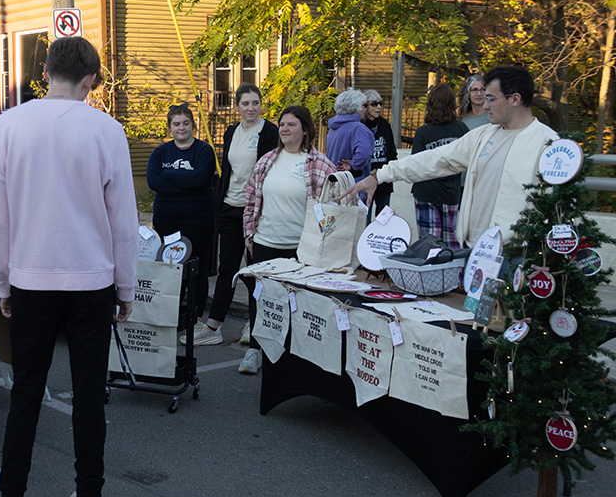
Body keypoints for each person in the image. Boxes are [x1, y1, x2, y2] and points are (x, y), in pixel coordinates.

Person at [0, 36, 138, 497]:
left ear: (45, 72)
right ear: (92, 79)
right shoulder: (106, 130)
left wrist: (3, 282)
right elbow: (123, 219)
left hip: (31, 278)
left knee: (26, 394)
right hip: (90, 280)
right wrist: (126, 286)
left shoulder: (7, 126)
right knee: (89, 394)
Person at [345, 67, 558, 247]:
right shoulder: (483, 136)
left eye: (491, 98)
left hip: (518, 254)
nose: (485, 106)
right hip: (477, 249)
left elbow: (558, 207)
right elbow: (435, 159)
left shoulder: (547, 143)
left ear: (515, 99)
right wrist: (379, 176)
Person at [241, 106, 336, 375]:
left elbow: (335, 206)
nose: (284, 129)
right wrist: (250, 234)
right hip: (266, 242)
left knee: (297, 303)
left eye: (291, 125)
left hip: (300, 248)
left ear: (305, 130)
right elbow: (250, 200)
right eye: (282, 124)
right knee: (259, 299)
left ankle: (292, 356)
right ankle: (255, 350)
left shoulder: (319, 164)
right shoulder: (267, 161)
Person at [181, 83, 278, 347]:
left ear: (261, 104)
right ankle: (214, 326)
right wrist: (219, 204)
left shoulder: (269, 131)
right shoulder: (231, 131)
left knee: (255, 270)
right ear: (237, 106)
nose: (250, 108)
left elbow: (269, 172)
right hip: (229, 207)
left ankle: (254, 323)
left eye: (255, 103)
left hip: (256, 210)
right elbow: (228, 170)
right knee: (227, 269)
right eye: (245, 103)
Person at [146, 103, 216, 324]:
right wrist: (187, 183)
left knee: (197, 267)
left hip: (199, 220)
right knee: (170, 268)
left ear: (193, 125)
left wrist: (168, 174)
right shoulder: (160, 152)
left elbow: (201, 179)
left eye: (186, 123)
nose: (181, 128)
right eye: (176, 124)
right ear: (170, 127)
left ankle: (195, 317)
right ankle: (171, 313)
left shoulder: (204, 151)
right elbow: (152, 181)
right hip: (167, 221)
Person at [410, 84, 469, 249]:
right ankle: (453, 274)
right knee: (452, 243)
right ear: (452, 104)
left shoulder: (423, 132)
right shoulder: (461, 129)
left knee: (430, 244)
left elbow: (415, 164)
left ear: (430, 104)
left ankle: (432, 275)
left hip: (426, 191)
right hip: (451, 191)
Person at [362, 89, 397, 220]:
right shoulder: (360, 126)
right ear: (365, 107)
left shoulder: (384, 125)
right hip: (366, 180)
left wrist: (392, 172)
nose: (378, 107)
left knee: (384, 219)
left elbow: (391, 151)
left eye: (380, 104)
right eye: (374, 104)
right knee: (364, 218)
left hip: (384, 179)